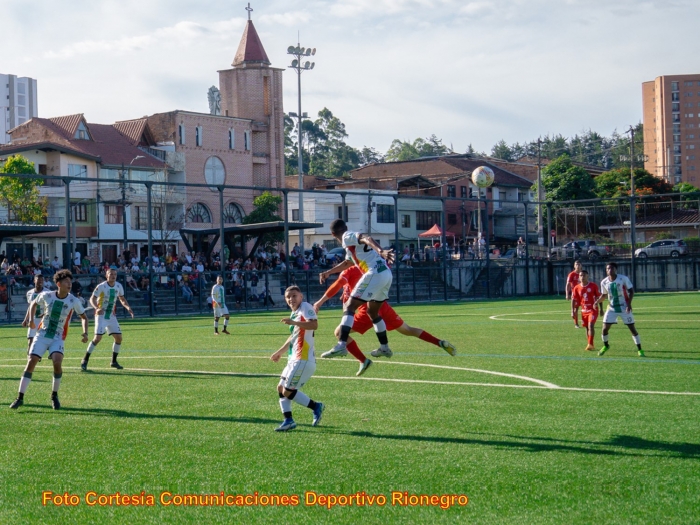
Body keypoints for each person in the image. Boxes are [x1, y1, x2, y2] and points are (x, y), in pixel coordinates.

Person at [315, 265, 456, 376]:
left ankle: (363, 360)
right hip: (382, 304)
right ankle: (440, 342)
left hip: (367, 309)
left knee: (339, 332)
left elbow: (338, 285)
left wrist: (319, 302)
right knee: (408, 330)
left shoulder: (350, 270)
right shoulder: (368, 269)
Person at [9, 270, 89, 410]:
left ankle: (54, 395)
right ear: (58, 284)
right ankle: (20, 397)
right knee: (31, 362)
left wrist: (85, 333)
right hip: (42, 334)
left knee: (57, 363)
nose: (69, 284)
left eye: (70, 282)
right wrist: (31, 321)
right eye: (66, 282)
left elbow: (84, 317)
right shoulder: (47, 296)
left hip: (58, 337)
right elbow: (33, 304)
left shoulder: (73, 300)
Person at [321, 219, 395, 359]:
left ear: (332, 234)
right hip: (385, 274)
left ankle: (341, 345)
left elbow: (366, 237)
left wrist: (380, 251)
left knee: (349, 306)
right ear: (346, 226)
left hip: (374, 272)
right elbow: (348, 263)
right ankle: (384, 347)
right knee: (372, 312)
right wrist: (329, 272)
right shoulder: (350, 246)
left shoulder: (346, 236)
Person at [269, 286, 324, 432]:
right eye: (288, 297)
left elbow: (314, 324)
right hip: (293, 358)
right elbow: (293, 337)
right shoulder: (294, 313)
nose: (291, 299)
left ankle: (316, 406)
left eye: (294, 296)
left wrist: (294, 323)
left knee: (288, 391)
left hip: (303, 359)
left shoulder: (305, 307)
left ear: (301, 296)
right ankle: (288, 420)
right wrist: (279, 352)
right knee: (280, 388)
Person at [81, 268, 134, 371]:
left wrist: (128, 308)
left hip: (111, 315)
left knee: (119, 338)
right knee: (97, 339)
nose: (113, 276)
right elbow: (92, 299)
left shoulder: (118, 286)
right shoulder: (101, 286)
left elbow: (122, 299)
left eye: (115, 274)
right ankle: (85, 360)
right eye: (111, 274)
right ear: (106, 275)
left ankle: (113, 361)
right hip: (100, 316)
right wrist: (97, 308)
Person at [594, 262, 643, 357]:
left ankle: (640, 349)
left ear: (615, 269)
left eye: (612, 268)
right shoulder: (604, 282)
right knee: (604, 329)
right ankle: (606, 346)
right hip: (612, 308)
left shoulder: (623, 279)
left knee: (632, 329)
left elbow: (631, 291)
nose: (610, 270)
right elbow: (604, 295)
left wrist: (629, 304)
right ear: (606, 270)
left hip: (624, 307)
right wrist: (597, 302)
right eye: (608, 268)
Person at [571, 270, 602, 352]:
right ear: (579, 277)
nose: (582, 277)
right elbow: (573, 299)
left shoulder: (593, 286)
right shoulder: (577, 288)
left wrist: (601, 309)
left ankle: (590, 344)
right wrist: (573, 311)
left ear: (588, 276)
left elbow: (599, 297)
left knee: (590, 325)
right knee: (586, 328)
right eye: (581, 275)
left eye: (584, 275)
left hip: (593, 309)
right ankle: (590, 344)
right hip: (584, 310)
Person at [22, 274, 45, 355]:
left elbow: (50, 307)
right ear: (34, 281)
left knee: (44, 340)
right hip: (33, 320)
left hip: (44, 321)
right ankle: (29, 359)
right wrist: (26, 319)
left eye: (42, 280)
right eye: (38, 280)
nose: (40, 281)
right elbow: (30, 307)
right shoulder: (29, 293)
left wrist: (45, 313)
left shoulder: (48, 292)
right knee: (30, 340)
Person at [566, 260, 583, 328]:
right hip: (575, 294)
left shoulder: (583, 274)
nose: (578, 266)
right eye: (576, 264)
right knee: (575, 309)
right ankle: (576, 324)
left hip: (583, 294)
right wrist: (567, 294)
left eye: (579, 264)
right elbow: (568, 284)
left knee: (586, 308)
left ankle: (585, 321)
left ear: (581, 265)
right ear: (574, 266)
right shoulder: (571, 274)